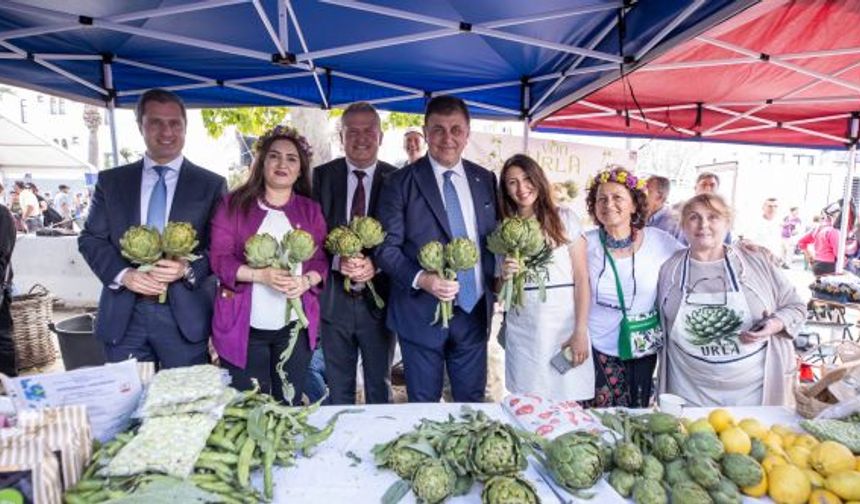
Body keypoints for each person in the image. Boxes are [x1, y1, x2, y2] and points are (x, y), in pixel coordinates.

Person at [78, 89, 227, 368]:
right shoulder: (112, 182)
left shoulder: (210, 185)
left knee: (184, 396)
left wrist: (187, 269)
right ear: (140, 126)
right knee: (127, 396)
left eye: (174, 123)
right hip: (124, 316)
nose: (166, 132)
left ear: (185, 127)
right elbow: (91, 239)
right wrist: (124, 275)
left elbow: (221, 248)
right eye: (156, 122)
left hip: (185, 318)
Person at [376, 95, 498, 402]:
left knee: (472, 407)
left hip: (473, 314)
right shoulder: (399, 182)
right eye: (438, 129)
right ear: (425, 132)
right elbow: (386, 249)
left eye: (456, 130)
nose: (447, 138)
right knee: (424, 409)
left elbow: (493, 240)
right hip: (420, 315)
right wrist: (423, 279)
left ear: (467, 133)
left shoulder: (485, 179)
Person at [210, 126, 328, 405]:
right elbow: (219, 258)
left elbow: (321, 260)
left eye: (291, 158)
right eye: (274, 156)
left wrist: (306, 281)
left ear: (300, 170)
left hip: (294, 330)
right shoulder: (233, 205)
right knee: (251, 408)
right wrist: (260, 276)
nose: (282, 164)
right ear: (262, 163)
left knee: (288, 405)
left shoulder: (310, 210)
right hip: (243, 328)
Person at [657, 193, 805, 406]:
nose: (703, 225)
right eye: (694, 217)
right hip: (688, 390)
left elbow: (796, 306)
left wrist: (775, 323)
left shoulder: (755, 261)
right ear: (683, 225)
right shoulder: (667, 268)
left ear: (728, 223)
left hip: (755, 393)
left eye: (713, 217)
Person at [312, 102, 396, 405]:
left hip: (380, 303)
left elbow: (403, 238)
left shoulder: (398, 178)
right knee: (339, 388)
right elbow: (311, 235)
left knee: (379, 387)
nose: (361, 138)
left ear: (380, 136)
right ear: (341, 137)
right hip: (334, 302)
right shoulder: (320, 177)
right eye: (352, 132)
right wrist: (338, 261)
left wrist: (377, 264)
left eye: (369, 131)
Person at [584, 166, 683, 408]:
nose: (609, 204)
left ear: (634, 205)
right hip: (596, 346)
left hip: (641, 345)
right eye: (601, 199)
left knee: (637, 415)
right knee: (599, 416)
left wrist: (740, 252)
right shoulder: (585, 243)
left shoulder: (659, 241)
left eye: (617, 197)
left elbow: (698, 258)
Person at [496, 154, 593, 400]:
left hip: (563, 327)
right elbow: (499, 291)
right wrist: (505, 276)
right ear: (505, 189)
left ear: (538, 178)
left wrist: (580, 331)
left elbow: (582, 279)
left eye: (527, 179)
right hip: (523, 329)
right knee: (528, 404)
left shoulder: (565, 218)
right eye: (512, 182)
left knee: (566, 402)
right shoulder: (503, 228)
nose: (522, 188)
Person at [0, 203, 17, 376]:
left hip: (1, 285)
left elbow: (2, 254)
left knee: (2, 335)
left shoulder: (2, 214)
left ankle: (9, 381)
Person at [645, 175, 681, 240]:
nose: (641, 195)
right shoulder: (639, 215)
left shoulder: (674, 224)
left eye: (647, 192)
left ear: (659, 197)